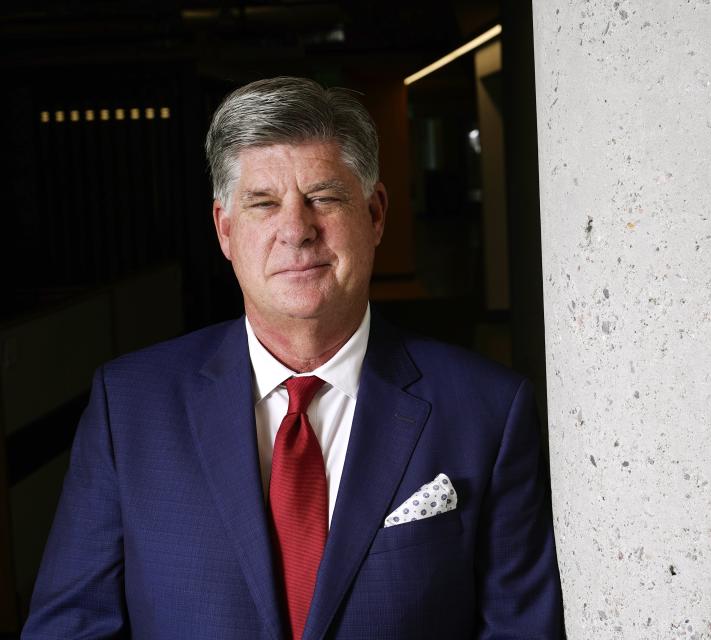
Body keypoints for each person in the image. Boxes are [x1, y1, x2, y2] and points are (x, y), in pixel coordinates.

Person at [22, 77, 563, 639]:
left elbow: (520, 630)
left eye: (324, 198)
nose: (297, 230)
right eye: (263, 203)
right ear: (225, 230)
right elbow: (70, 628)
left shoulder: (490, 410)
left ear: (376, 215)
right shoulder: (128, 407)